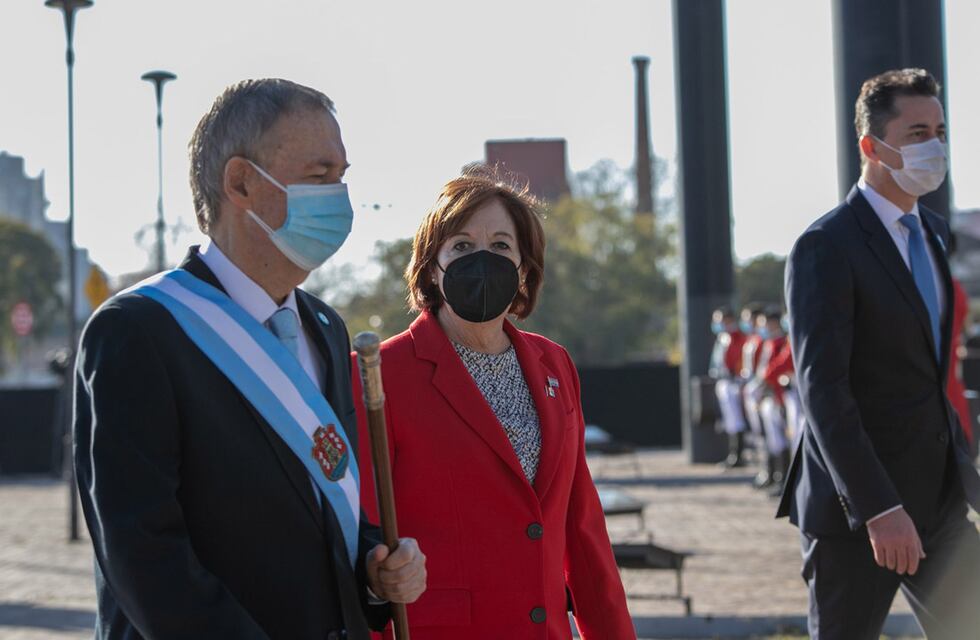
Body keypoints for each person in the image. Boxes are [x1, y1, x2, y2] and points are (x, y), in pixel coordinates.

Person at [73, 79, 426, 640]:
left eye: (342, 175)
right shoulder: (137, 330)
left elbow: (326, 504)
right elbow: (143, 554)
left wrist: (375, 572)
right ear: (240, 182)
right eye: (318, 176)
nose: (339, 196)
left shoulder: (325, 328)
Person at [352, 167, 635, 639]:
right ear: (431, 266)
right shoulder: (379, 373)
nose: (483, 259)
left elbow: (582, 530)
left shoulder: (555, 364)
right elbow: (363, 538)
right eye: (462, 246)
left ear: (525, 268)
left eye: (501, 246)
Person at [778, 68, 980, 639]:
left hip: (938, 503)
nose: (934, 145)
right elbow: (823, 390)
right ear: (871, 145)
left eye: (940, 129)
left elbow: (930, 375)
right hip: (857, 514)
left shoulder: (936, 232)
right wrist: (879, 508)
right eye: (917, 132)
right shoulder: (826, 246)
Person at [745, 308, 789, 489]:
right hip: (766, 395)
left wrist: (765, 379)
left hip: (779, 395)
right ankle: (774, 474)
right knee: (769, 438)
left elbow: (777, 367)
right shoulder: (768, 342)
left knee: (782, 438)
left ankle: (783, 478)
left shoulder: (782, 341)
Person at [710, 307, 749, 467]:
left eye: (721, 320)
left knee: (737, 419)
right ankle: (733, 453)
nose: (718, 324)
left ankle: (738, 454)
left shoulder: (738, 337)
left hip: (734, 381)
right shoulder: (723, 337)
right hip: (723, 381)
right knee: (730, 420)